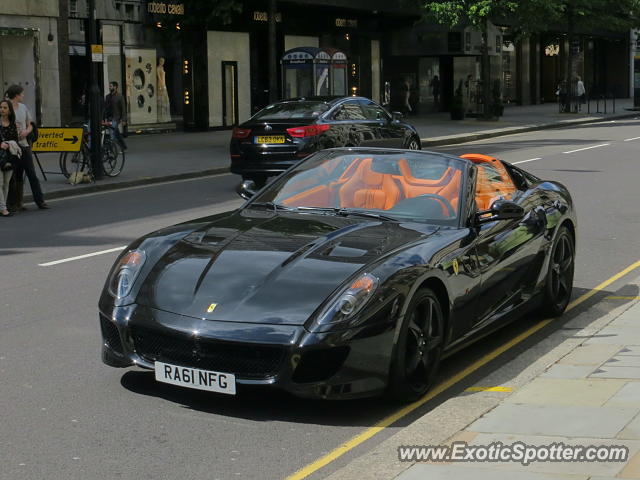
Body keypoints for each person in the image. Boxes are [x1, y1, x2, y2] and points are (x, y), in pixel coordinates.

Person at [5, 85, 48, 210]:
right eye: (22, 94)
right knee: (14, 176)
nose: (23, 96)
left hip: (24, 145)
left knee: (32, 174)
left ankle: (40, 201)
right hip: (11, 147)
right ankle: (15, 203)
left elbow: (30, 124)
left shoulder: (23, 107)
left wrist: (26, 131)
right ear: (17, 95)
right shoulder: (5, 107)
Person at [0, 99, 19, 217]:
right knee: (0, 183)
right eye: (1, 107)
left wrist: (9, 143)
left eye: (5, 108)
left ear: (10, 110)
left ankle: (2, 206)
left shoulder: (13, 124)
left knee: (6, 183)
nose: (2, 109)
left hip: (9, 156)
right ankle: (3, 208)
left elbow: (16, 141)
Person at [104, 81, 127, 150]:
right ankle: (123, 146)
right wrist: (104, 117)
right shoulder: (107, 96)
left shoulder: (120, 97)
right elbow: (105, 108)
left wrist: (124, 120)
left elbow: (123, 109)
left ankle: (112, 150)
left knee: (112, 134)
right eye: (109, 86)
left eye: (111, 86)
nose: (109, 87)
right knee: (116, 133)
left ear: (115, 87)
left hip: (116, 118)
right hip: (109, 118)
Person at [157, 57, 171, 123]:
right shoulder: (158, 68)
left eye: (163, 61)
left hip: (164, 84)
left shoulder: (162, 68)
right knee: (161, 101)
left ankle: (164, 117)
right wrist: (162, 86)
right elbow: (159, 78)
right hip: (161, 85)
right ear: (159, 61)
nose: (162, 62)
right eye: (161, 61)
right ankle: (160, 118)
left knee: (165, 101)